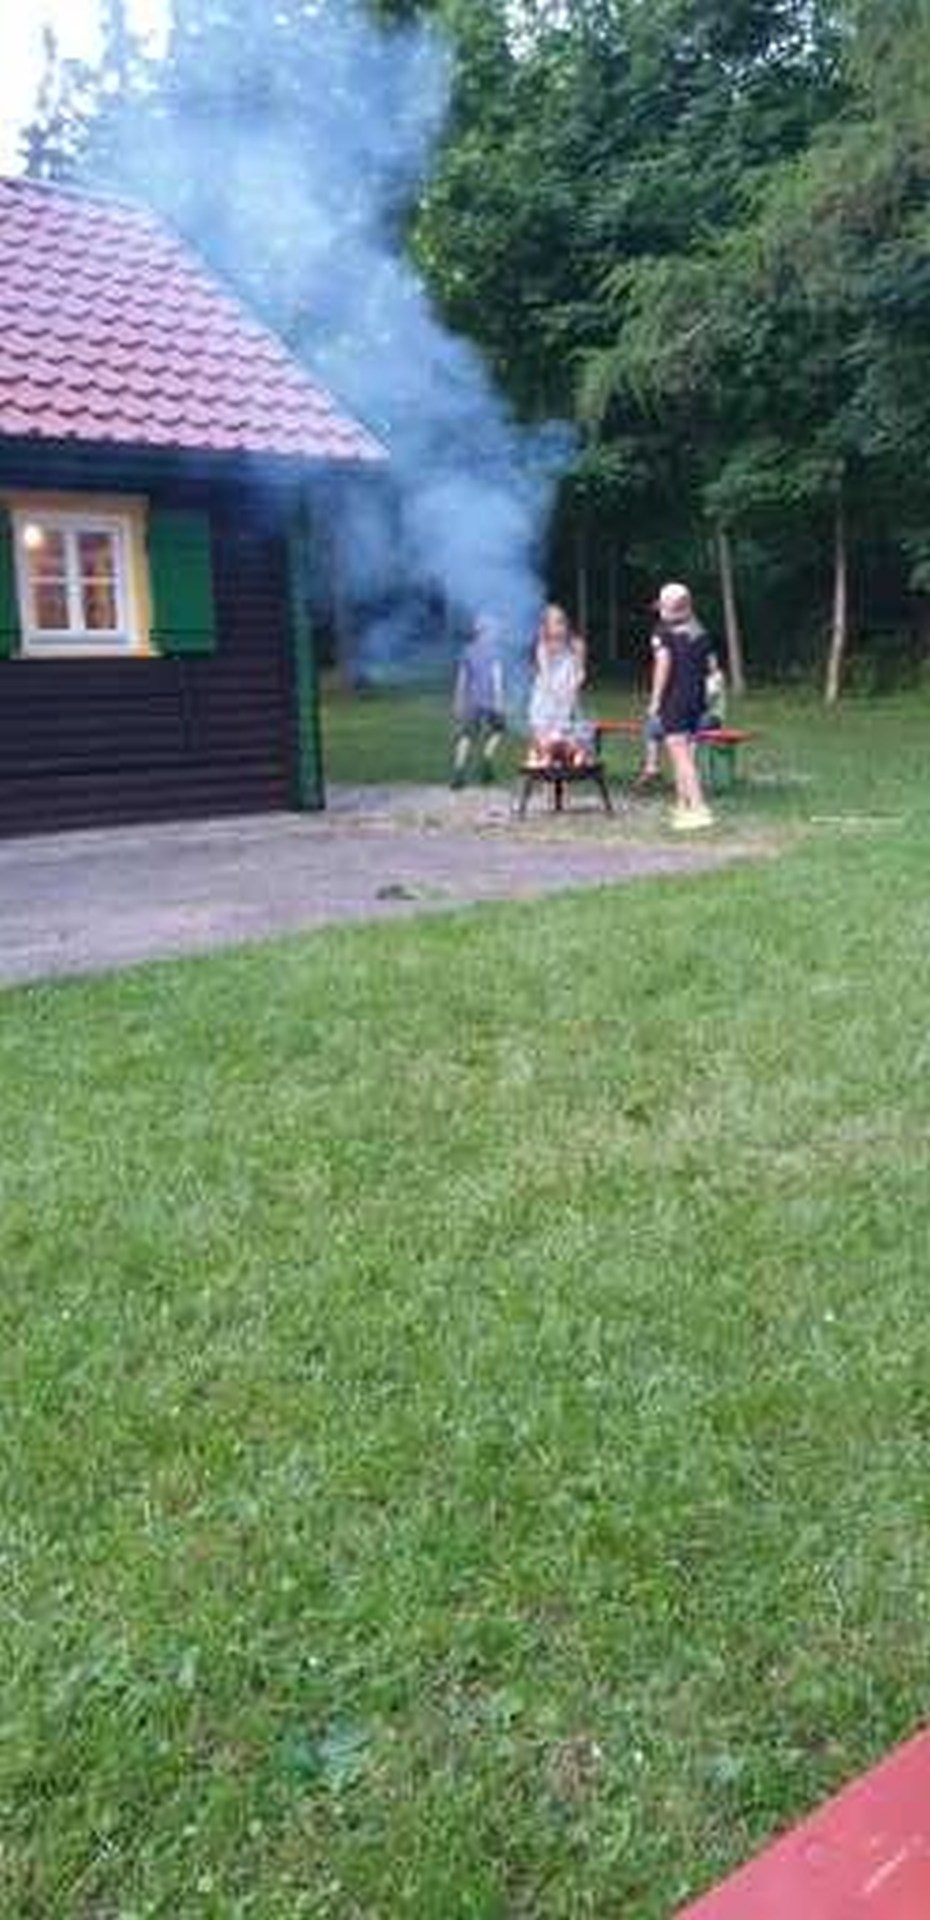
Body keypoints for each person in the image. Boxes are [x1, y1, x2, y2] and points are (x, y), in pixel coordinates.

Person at [647, 581, 717, 830]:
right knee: (684, 752)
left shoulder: (662, 632)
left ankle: (699, 809)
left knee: (681, 755)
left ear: (667, 608)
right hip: (697, 698)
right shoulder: (699, 630)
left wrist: (655, 700)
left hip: (675, 699)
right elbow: (712, 667)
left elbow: (663, 665)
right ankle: (682, 806)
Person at [527, 603, 588, 765]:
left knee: (567, 737)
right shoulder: (542, 646)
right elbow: (545, 674)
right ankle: (540, 756)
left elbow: (581, 672)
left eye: (561, 621)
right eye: (553, 622)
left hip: (568, 693)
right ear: (545, 626)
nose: (558, 627)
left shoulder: (576, 644)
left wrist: (574, 687)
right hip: (546, 697)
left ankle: (572, 755)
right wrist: (555, 694)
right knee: (544, 738)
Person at [451, 614, 507, 788]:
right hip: (489, 701)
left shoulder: (467, 651)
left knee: (466, 737)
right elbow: (497, 679)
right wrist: (500, 702)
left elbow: (461, 679)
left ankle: (459, 774)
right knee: (498, 730)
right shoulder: (495, 652)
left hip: (470, 702)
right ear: (486, 632)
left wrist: (457, 700)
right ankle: (486, 758)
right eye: (492, 630)